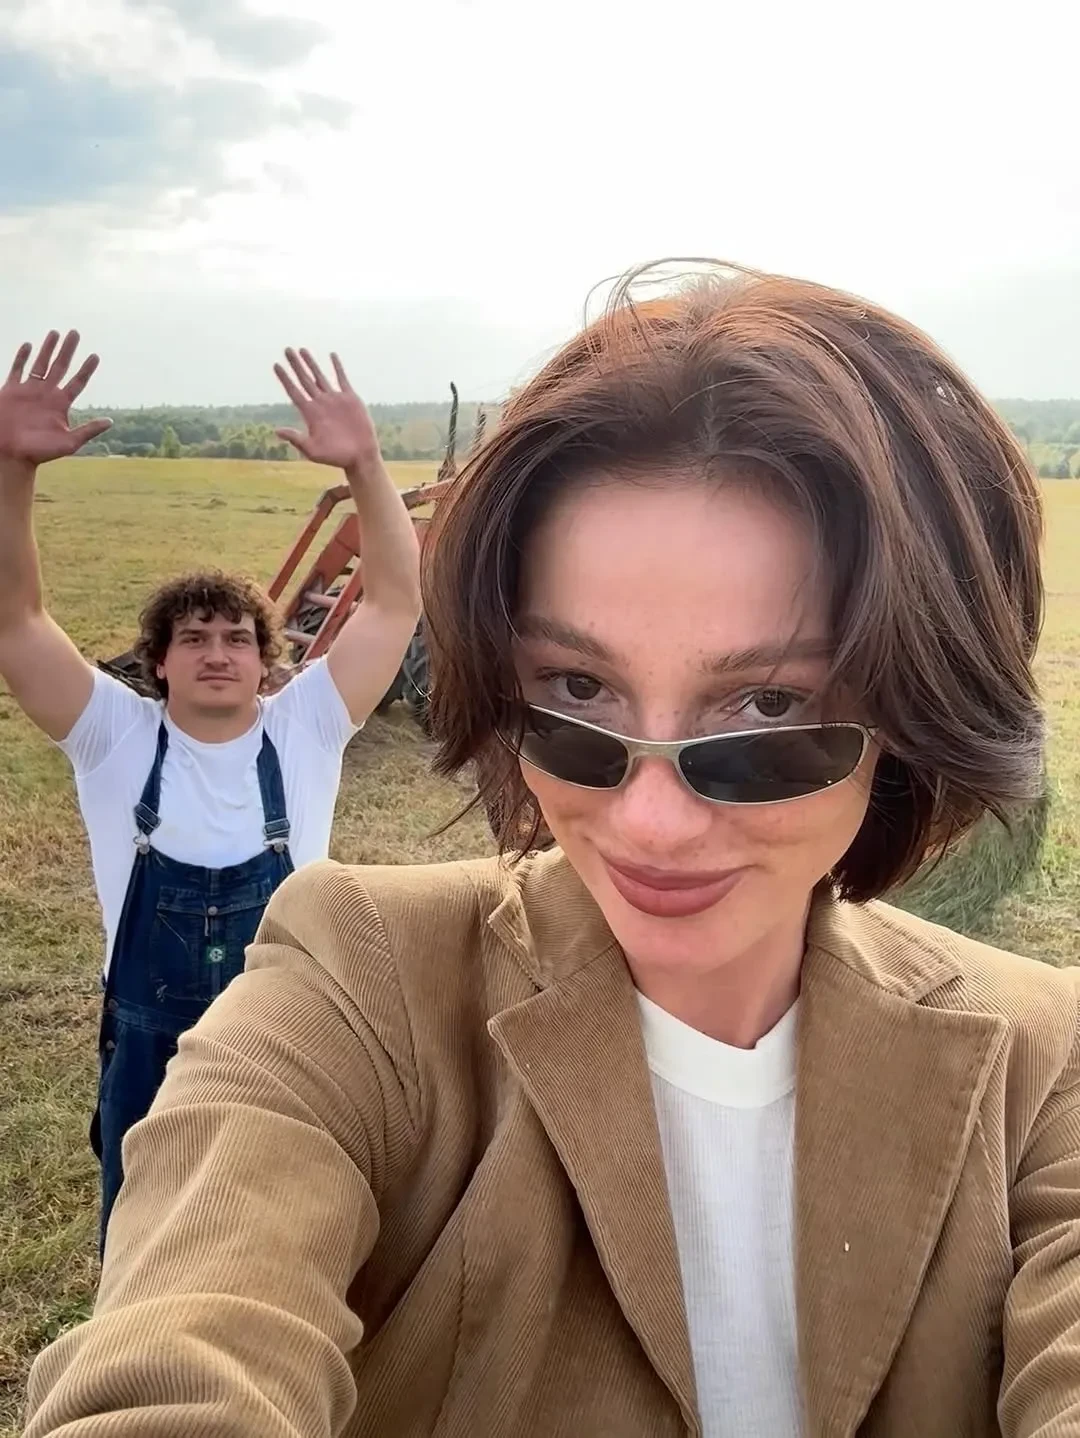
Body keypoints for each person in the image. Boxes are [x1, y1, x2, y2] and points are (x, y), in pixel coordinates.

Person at [21, 262, 1078, 1438]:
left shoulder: (1044, 1065)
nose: (650, 819)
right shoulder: (355, 984)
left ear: (918, 711)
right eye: (575, 689)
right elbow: (183, 1340)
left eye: (771, 709)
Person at [0, 332, 421, 1245]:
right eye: (193, 638)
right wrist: (11, 468)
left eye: (237, 638)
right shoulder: (111, 736)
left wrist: (365, 463)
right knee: (144, 1239)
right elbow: (16, 619)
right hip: (146, 1046)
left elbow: (394, 602)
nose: (218, 652)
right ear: (158, 662)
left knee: (284, 1236)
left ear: (268, 661)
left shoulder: (308, 726)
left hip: (287, 1028)